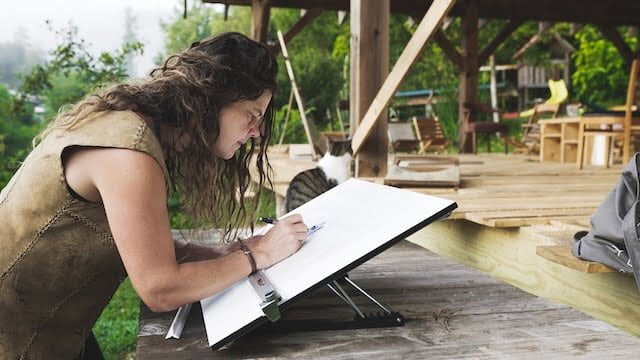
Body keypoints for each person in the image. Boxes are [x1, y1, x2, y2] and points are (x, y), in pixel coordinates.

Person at [0, 32, 308, 359]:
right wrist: (258, 256)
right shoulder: (128, 153)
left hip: (47, 331)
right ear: (212, 99)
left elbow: (134, 239)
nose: (257, 131)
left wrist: (220, 254)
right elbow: (160, 288)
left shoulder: (129, 127)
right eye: (253, 113)